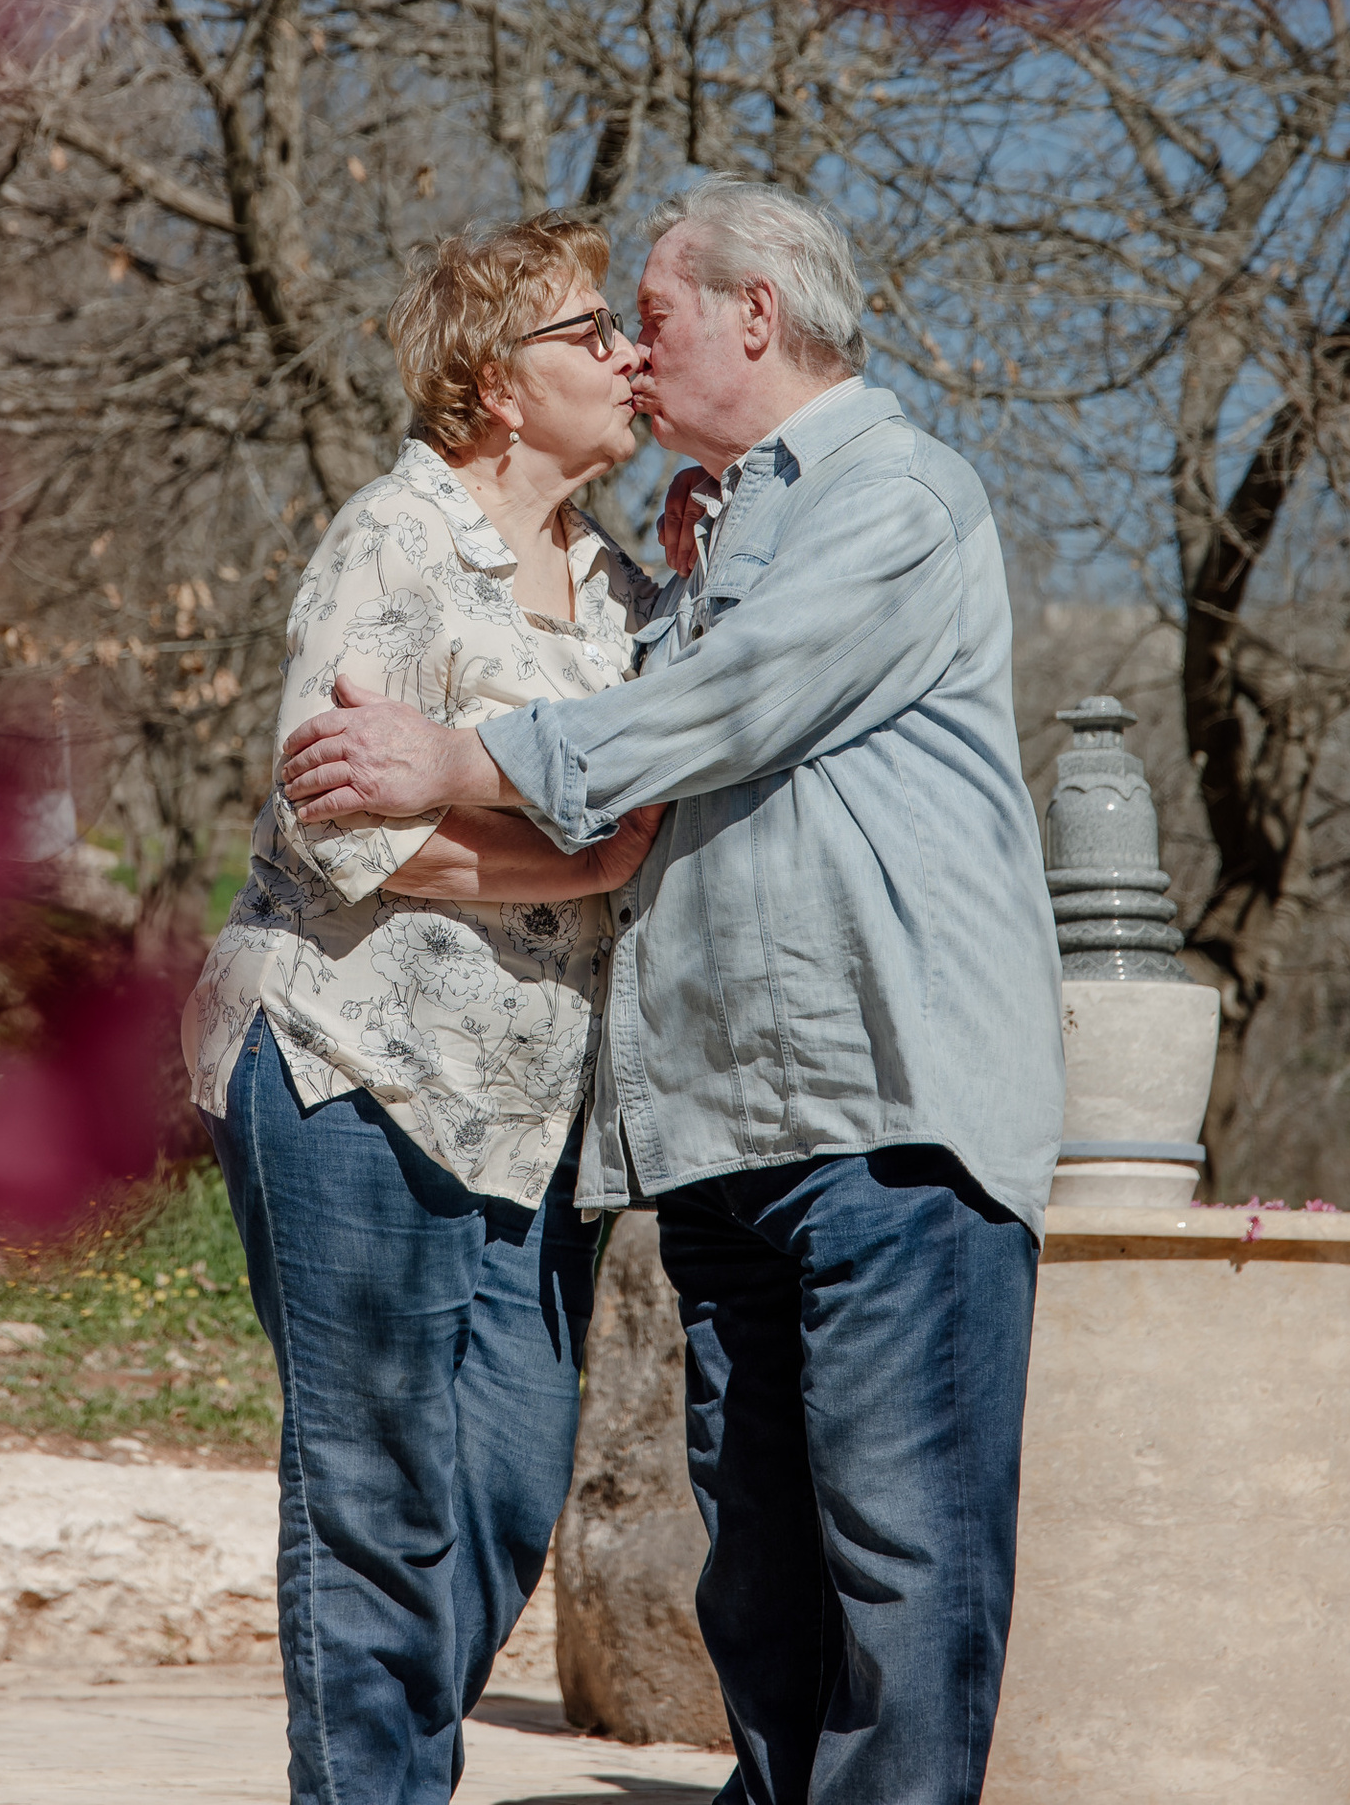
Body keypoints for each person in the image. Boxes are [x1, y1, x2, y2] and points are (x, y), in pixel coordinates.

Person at [280, 178, 1065, 1805]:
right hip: (701, 1140)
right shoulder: (699, 534)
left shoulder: (892, 499)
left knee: (905, 1579)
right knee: (761, 1590)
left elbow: (729, 712)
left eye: (657, 318)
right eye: (611, 329)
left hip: (885, 1124)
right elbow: (605, 790)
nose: (639, 357)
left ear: (754, 318)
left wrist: (466, 756)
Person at [184, 209, 664, 1805]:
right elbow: (345, 824)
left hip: (532, 1122)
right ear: (497, 384)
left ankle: (380, 1772)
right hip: (349, 1071)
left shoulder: (621, 588)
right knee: (375, 1491)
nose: (626, 354)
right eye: (590, 331)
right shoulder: (394, 540)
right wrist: (579, 866)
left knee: (513, 1487)